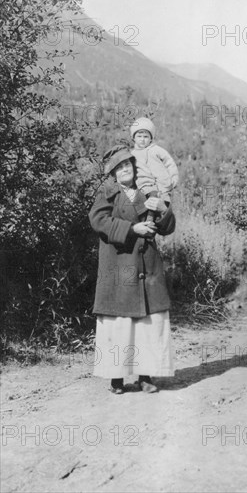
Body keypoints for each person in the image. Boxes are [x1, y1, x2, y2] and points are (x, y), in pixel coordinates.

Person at [89, 144, 176, 394]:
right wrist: (132, 229)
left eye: (128, 164)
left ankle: (145, 376)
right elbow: (98, 220)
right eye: (120, 167)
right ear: (114, 173)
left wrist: (162, 209)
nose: (125, 169)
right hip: (118, 266)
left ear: (133, 168)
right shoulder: (108, 192)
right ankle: (116, 379)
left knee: (146, 323)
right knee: (119, 323)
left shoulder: (147, 192)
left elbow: (167, 227)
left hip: (146, 267)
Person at [130, 117, 179, 221]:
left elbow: (170, 163)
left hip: (160, 186)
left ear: (151, 138)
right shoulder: (132, 154)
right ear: (134, 138)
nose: (142, 139)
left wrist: (173, 179)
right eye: (139, 136)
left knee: (157, 204)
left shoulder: (156, 150)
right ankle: (144, 225)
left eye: (146, 136)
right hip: (141, 186)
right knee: (140, 207)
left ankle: (151, 222)